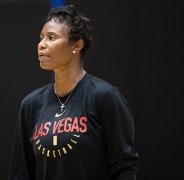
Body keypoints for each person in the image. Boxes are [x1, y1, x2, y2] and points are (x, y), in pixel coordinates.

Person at [8, 4, 139, 180]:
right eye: (41, 38)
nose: (41, 45)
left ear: (76, 45)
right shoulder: (31, 104)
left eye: (51, 38)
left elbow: (125, 165)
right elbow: (20, 173)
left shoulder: (105, 97)